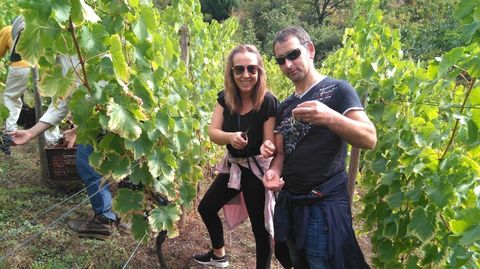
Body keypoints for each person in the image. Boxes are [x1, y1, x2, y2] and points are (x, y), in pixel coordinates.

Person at [261, 26, 377, 269]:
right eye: (281, 60)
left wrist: (329, 117)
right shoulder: (286, 106)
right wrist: (273, 172)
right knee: (298, 263)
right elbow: (281, 153)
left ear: (310, 50)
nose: (288, 64)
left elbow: (369, 138)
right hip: (291, 205)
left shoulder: (338, 90)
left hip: (321, 208)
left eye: (293, 55)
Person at [9, 55, 123, 240]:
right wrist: (30, 133)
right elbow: (62, 103)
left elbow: (103, 101)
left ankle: (104, 221)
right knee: (91, 163)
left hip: (111, 118)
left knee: (88, 163)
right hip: (97, 121)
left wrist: (76, 130)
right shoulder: (61, 57)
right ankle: (109, 215)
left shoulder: (89, 49)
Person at [193, 44, 278, 268]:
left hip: (256, 170)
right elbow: (213, 133)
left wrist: (267, 147)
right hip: (234, 167)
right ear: (231, 72)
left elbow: (270, 139)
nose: (245, 75)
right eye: (239, 69)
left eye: (251, 69)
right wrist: (230, 137)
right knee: (207, 207)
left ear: (260, 71)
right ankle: (218, 255)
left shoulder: (268, 101)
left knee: (260, 229)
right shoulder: (225, 99)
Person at [1, 15, 60, 144]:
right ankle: (53, 139)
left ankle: (11, 131)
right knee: (49, 103)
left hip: (19, 66)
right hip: (42, 66)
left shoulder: (7, 30)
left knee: (12, 97)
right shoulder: (44, 28)